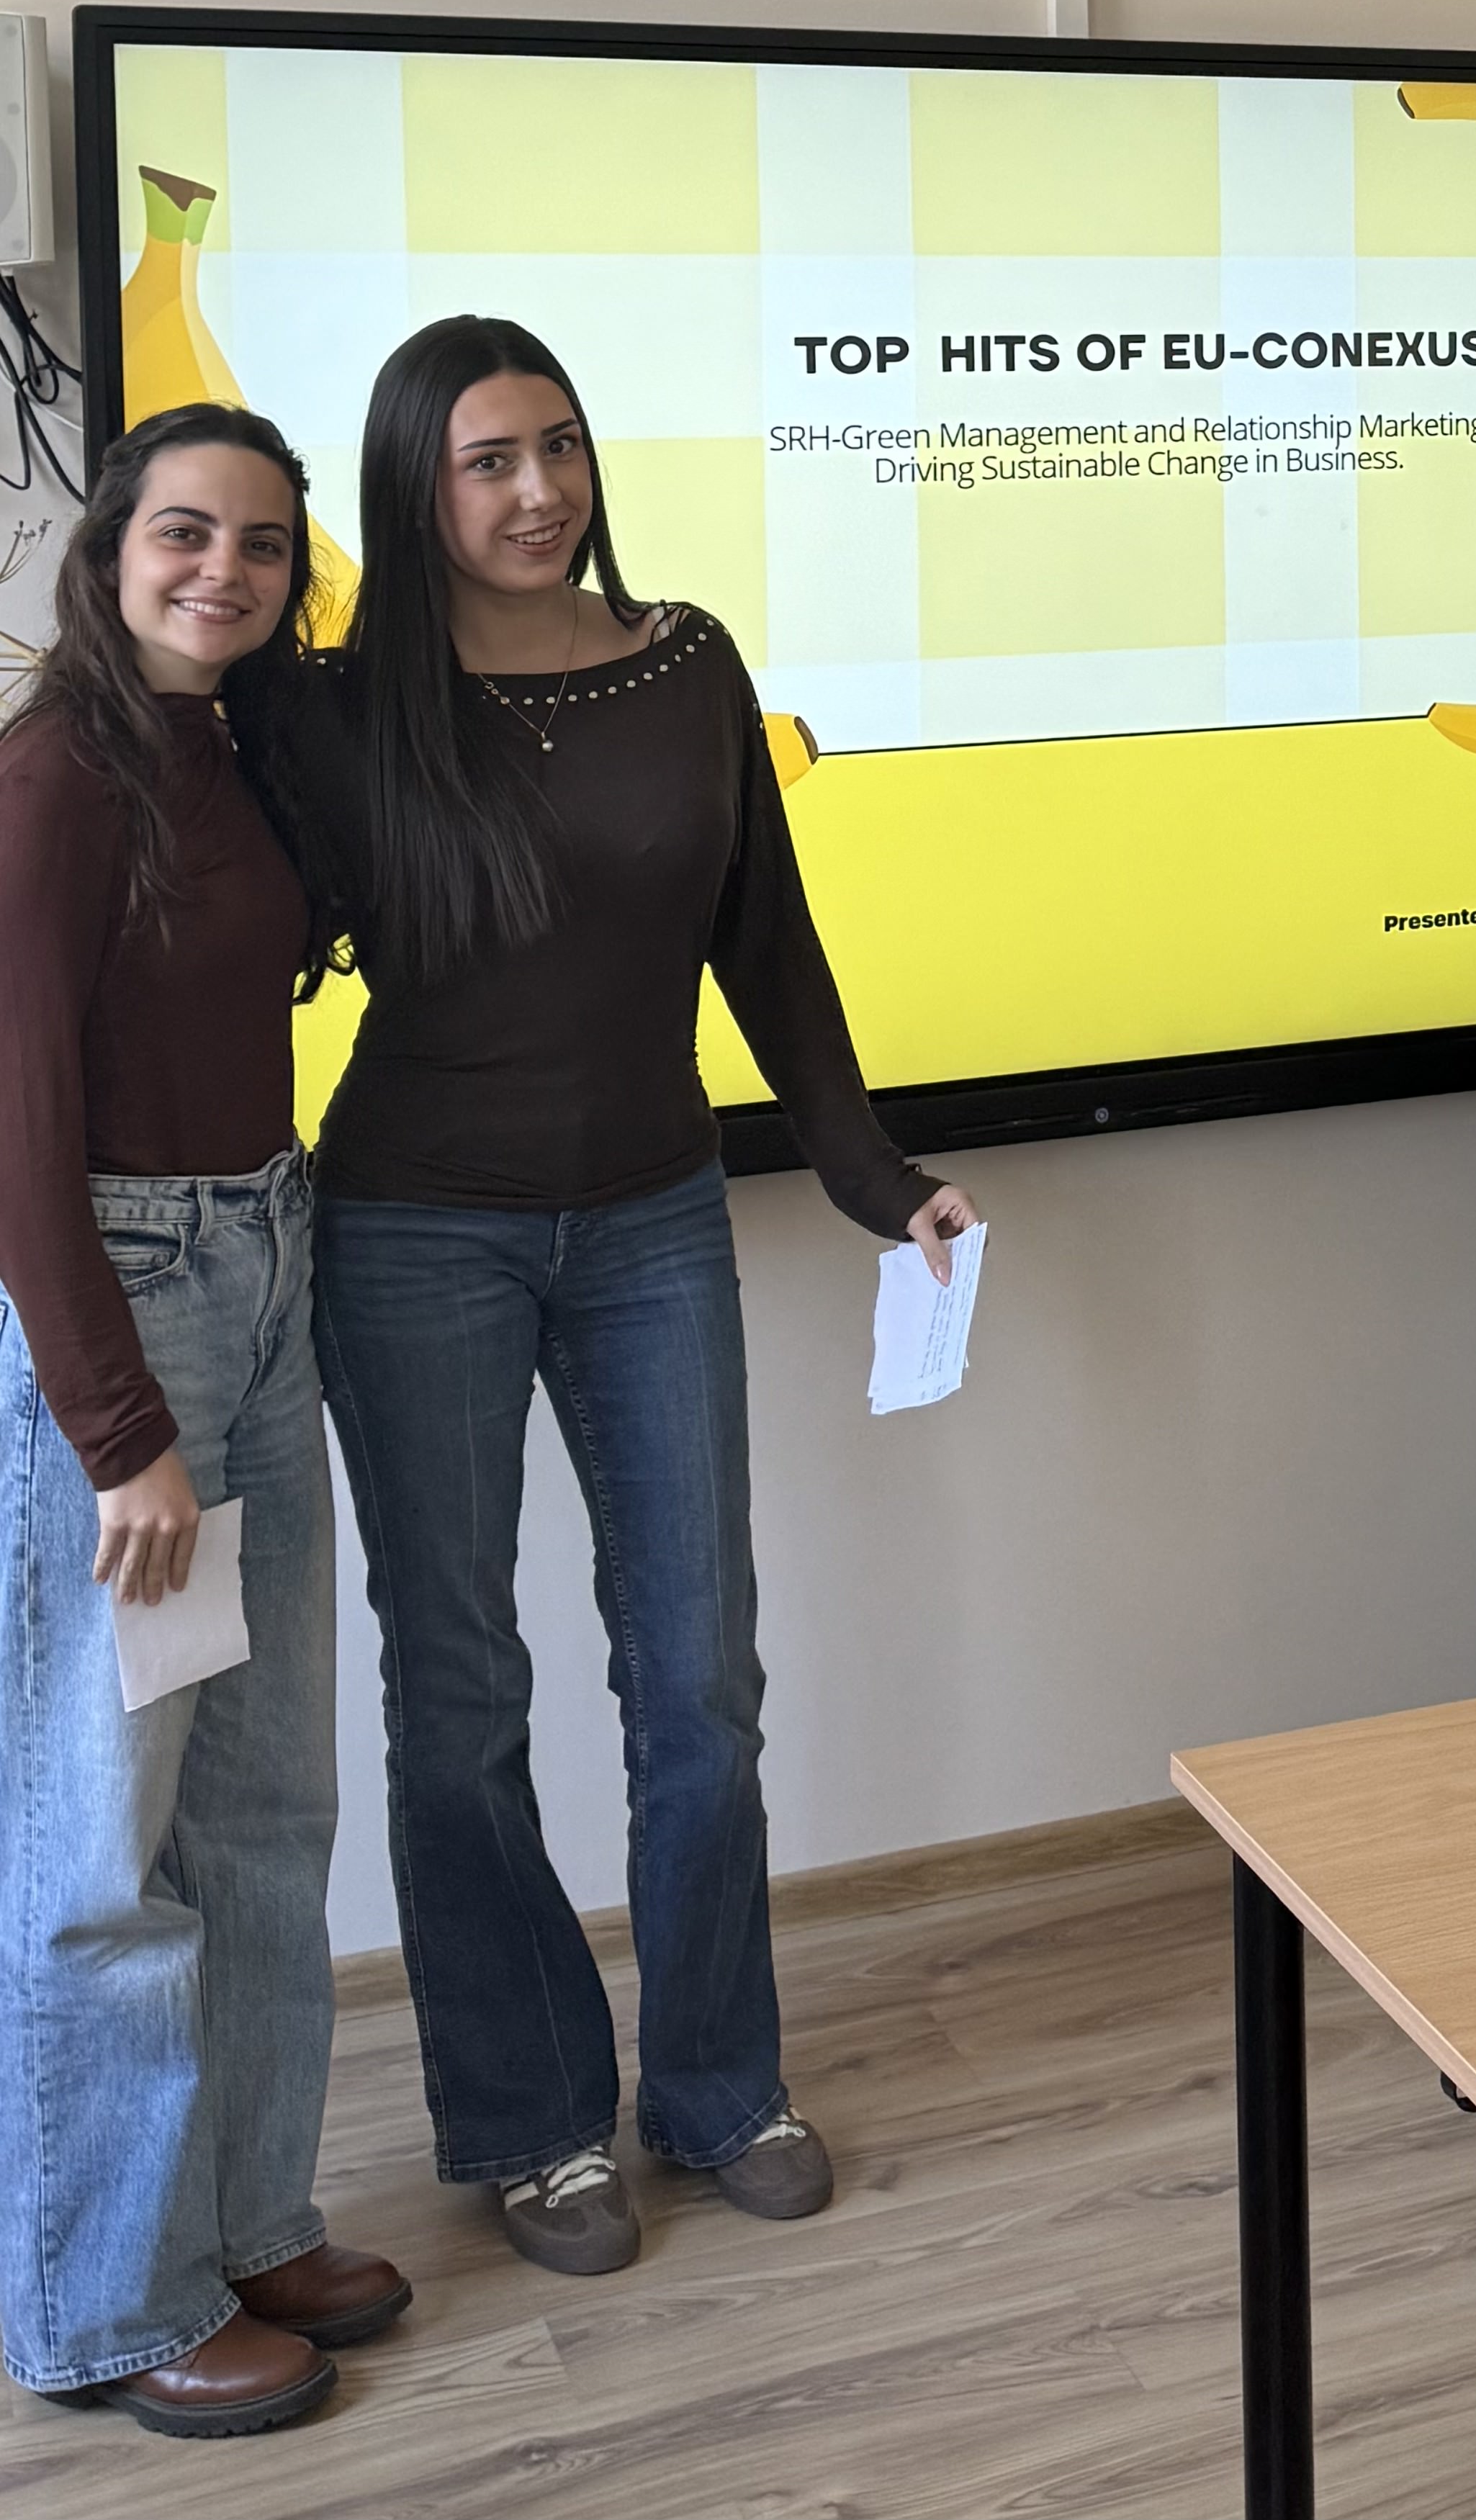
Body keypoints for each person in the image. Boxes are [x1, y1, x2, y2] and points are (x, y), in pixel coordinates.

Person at [284, 317, 977, 2279]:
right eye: (489, 460)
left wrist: (873, 1174)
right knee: (460, 1695)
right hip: (413, 1231)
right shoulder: (334, 709)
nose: (538, 491)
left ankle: (717, 2086)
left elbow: (770, 941)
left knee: (698, 1682)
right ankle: (525, 2121)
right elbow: (230, 934)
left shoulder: (685, 661)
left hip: (655, 1219)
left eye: (561, 447)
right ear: (414, 487)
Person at [0, 407, 408, 2437]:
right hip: (132, 1319)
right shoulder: (54, 777)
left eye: (260, 544)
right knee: (104, 1844)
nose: (221, 571)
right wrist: (115, 1430)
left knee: (260, 1809)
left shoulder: (233, 748)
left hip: (264, 1271)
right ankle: (104, 2303)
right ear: (111, 549)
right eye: (183, 532)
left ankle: (246, 2222)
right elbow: (15, 1129)